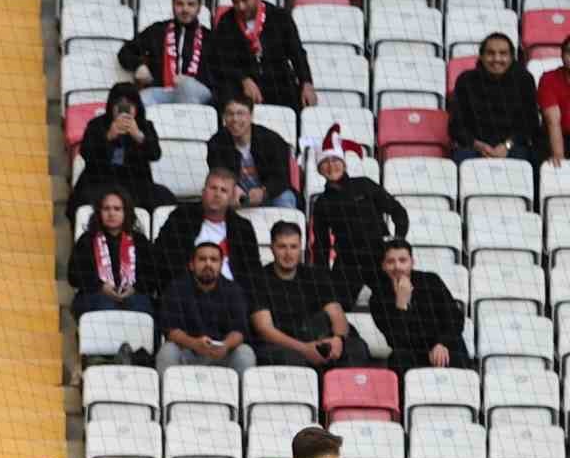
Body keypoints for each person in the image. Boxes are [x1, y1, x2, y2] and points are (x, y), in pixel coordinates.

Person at [309, 124, 409, 307]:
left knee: (390, 303)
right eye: (325, 162)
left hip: (380, 256)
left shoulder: (364, 184)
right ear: (319, 169)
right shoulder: (321, 203)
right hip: (347, 261)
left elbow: (398, 211)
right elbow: (321, 246)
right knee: (335, 306)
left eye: (335, 160)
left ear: (344, 162)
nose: (331, 166)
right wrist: (321, 279)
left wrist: (398, 243)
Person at [250, 221, 369, 369]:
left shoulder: (314, 275)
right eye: (282, 247)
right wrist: (304, 349)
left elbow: (336, 314)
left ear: (301, 248)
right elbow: (264, 329)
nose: (288, 253)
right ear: (272, 248)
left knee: (356, 348)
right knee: (292, 359)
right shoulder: (258, 279)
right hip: (283, 345)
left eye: (293, 247)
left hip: (317, 337)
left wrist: (338, 340)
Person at [67, 82, 175, 222]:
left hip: (136, 184)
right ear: (111, 107)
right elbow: (85, 153)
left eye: (129, 105)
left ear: (137, 107)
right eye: (119, 104)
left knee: (164, 198)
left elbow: (155, 154)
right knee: (81, 200)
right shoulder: (97, 124)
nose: (124, 110)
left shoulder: (145, 126)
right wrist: (108, 137)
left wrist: (138, 136)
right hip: (100, 181)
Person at [214, 0, 315, 113]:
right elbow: (222, 60)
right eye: (235, 1)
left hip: (278, 81)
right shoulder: (226, 22)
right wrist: (244, 79)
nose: (241, 7)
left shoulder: (280, 17)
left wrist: (306, 82)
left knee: (299, 100)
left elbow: (297, 52)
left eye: (245, 0)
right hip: (241, 85)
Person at [150, 168, 262, 296]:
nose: (217, 194)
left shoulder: (243, 228)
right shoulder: (181, 217)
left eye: (223, 190)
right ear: (203, 191)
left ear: (231, 197)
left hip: (230, 298)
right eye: (213, 188)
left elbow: (253, 273)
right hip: (186, 294)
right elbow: (161, 257)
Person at [367, 239, 471, 375]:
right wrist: (401, 304)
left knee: (456, 349)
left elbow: (455, 318)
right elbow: (396, 340)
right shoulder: (378, 298)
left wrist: (441, 343)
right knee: (398, 358)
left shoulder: (431, 281)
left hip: (441, 345)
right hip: (412, 352)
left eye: (402, 260)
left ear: (412, 263)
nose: (397, 266)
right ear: (383, 266)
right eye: (391, 262)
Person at [156, 241, 258, 374]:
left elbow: (239, 331)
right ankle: (167, 394)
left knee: (245, 353)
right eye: (202, 259)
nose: (208, 264)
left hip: (222, 354)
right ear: (192, 265)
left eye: (214, 260)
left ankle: (241, 395)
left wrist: (226, 345)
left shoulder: (234, 290)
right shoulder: (176, 288)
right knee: (167, 351)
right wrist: (194, 344)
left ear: (221, 265)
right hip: (188, 351)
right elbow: (171, 330)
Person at [117, 0, 218, 108]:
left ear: (199, 8)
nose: (185, 9)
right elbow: (125, 52)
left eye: (191, 4)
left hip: (197, 93)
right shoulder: (157, 30)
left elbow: (219, 75)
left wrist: (191, 81)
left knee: (186, 86)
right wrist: (138, 65)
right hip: (163, 91)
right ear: (173, 5)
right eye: (180, 4)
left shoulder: (211, 38)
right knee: (139, 102)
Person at [449, 33, 541, 167]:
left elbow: (530, 123)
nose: (497, 59)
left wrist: (507, 146)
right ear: (481, 56)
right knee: (461, 159)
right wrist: (478, 145)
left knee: (531, 160)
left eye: (503, 53)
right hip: (474, 148)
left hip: (513, 147)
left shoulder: (524, 80)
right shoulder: (466, 80)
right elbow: (456, 126)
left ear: (511, 57)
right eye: (490, 53)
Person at [67, 188, 153, 317]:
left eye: (117, 209)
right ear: (99, 212)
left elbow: (152, 275)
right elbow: (74, 275)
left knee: (140, 306)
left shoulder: (140, 241)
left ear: (126, 212)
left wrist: (134, 288)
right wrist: (101, 286)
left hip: (134, 295)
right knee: (105, 305)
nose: (111, 213)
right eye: (106, 209)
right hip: (94, 296)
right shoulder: (87, 240)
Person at [207, 95, 298, 211]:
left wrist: (264, 192)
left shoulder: (272, 140)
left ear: (250, 116)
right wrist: (232, 187)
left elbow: (281, 178)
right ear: (224, 117)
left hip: (268, 194)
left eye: (240, 113)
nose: (234, 119)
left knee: (285, 197)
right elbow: (218, 174)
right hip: (235, 194)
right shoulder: (216, 143)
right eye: (229, 114)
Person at [538, 33, 570, 168]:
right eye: (569, 51)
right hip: (560, 138)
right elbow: (553, 121)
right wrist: (559, 157)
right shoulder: (549, 79)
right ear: (562, 55)